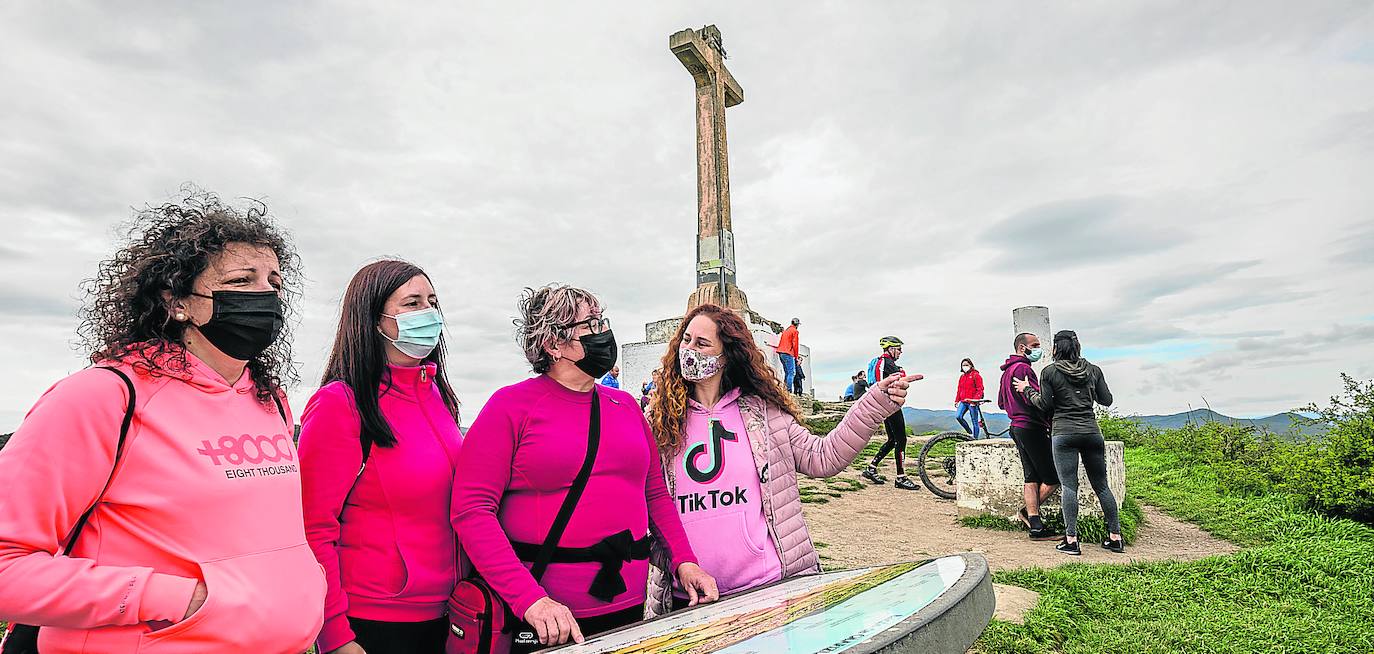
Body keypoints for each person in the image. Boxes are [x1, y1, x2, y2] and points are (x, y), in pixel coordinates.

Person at [0, 191, 325, 653]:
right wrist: (177, 599)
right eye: (240, 280)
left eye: (274, 281)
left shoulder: (268, 400)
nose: (266, 295)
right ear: (178, 303)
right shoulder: (104, 397)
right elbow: (6, 567)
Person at [451, 285, 717, 653]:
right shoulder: (509, 407)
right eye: (589, 325)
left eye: (602, 320)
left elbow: (654, 494)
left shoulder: (625, 406)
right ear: (552, 343)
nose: (603, 333)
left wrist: (685, 561)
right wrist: (529, 599)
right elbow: (471, 511)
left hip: (627, 611)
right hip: (542, 619)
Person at [643, 305, 919, 617]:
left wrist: (874, 402)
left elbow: (822, 457)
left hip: (768, 589)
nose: (690, 350)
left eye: (702, 344)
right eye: (687, 340)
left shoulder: (763, 413)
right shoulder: (655, 422)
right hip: (687, 602)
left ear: (727, 355)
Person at [299, 260, 465, 654]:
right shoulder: (340, 404)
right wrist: (336, 636)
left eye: (433, 301)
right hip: (374, 621)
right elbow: (313, 528)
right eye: (412, 303)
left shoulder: (439, 397)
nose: (428, 313)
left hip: (449, 612)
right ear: (374, 320)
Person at [1013, 330, 1123, 555]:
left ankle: (1072, 540)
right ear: (1078, 346)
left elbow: (1044, 404)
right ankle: (1115, 537)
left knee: (1069, 486)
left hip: (1063, 433)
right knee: (1102, 485)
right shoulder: (1093, 370)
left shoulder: (1050, 372)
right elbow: (1106, 400)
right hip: (1092, 432)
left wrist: (1027, 390)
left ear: (1055, 349)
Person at [998, 333, 1060, 541]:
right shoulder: (1024, 369)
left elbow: (1001, 402)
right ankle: (1028, 513)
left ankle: (1036, 526)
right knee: (1052, 478)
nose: (1038, 349)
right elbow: (1038, 400)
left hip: (1016, 426)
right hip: (1032, 427)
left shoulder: (1006, 371)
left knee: (1031, 476)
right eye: (1035, 345)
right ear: (1023, 348)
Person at [862, 336, 925, 490]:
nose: (901, 351)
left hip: (886, 405)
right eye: (898, 348)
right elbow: (886, 382)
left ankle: (871, 467)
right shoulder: (886, 363)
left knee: (892, 440)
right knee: (901, 439)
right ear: (890, 349)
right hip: (890, 405)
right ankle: (901, 477)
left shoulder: (885, 363)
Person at [954, 358, 985, 439]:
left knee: (974, 421)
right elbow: (959, 389)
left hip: (972, 402)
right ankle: (969, 432)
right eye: (963, 365)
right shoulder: (962, 377)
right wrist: (957, 400)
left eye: (966, 365)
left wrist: (974, 400)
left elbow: (980, 389)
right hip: (963, 401)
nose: (965, 366)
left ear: (971, 365)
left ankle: (975, 438)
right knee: (958, 416)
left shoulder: (976, 375)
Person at [774, 318, 801, 394]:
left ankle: (785, 390)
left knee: (787, 372)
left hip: (781, 353)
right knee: (791, 373)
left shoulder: (786, 331)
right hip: (788, 353)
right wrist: (796, 357)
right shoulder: (794, 331)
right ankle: (788, 391)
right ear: (797, 325)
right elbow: (795, 345)